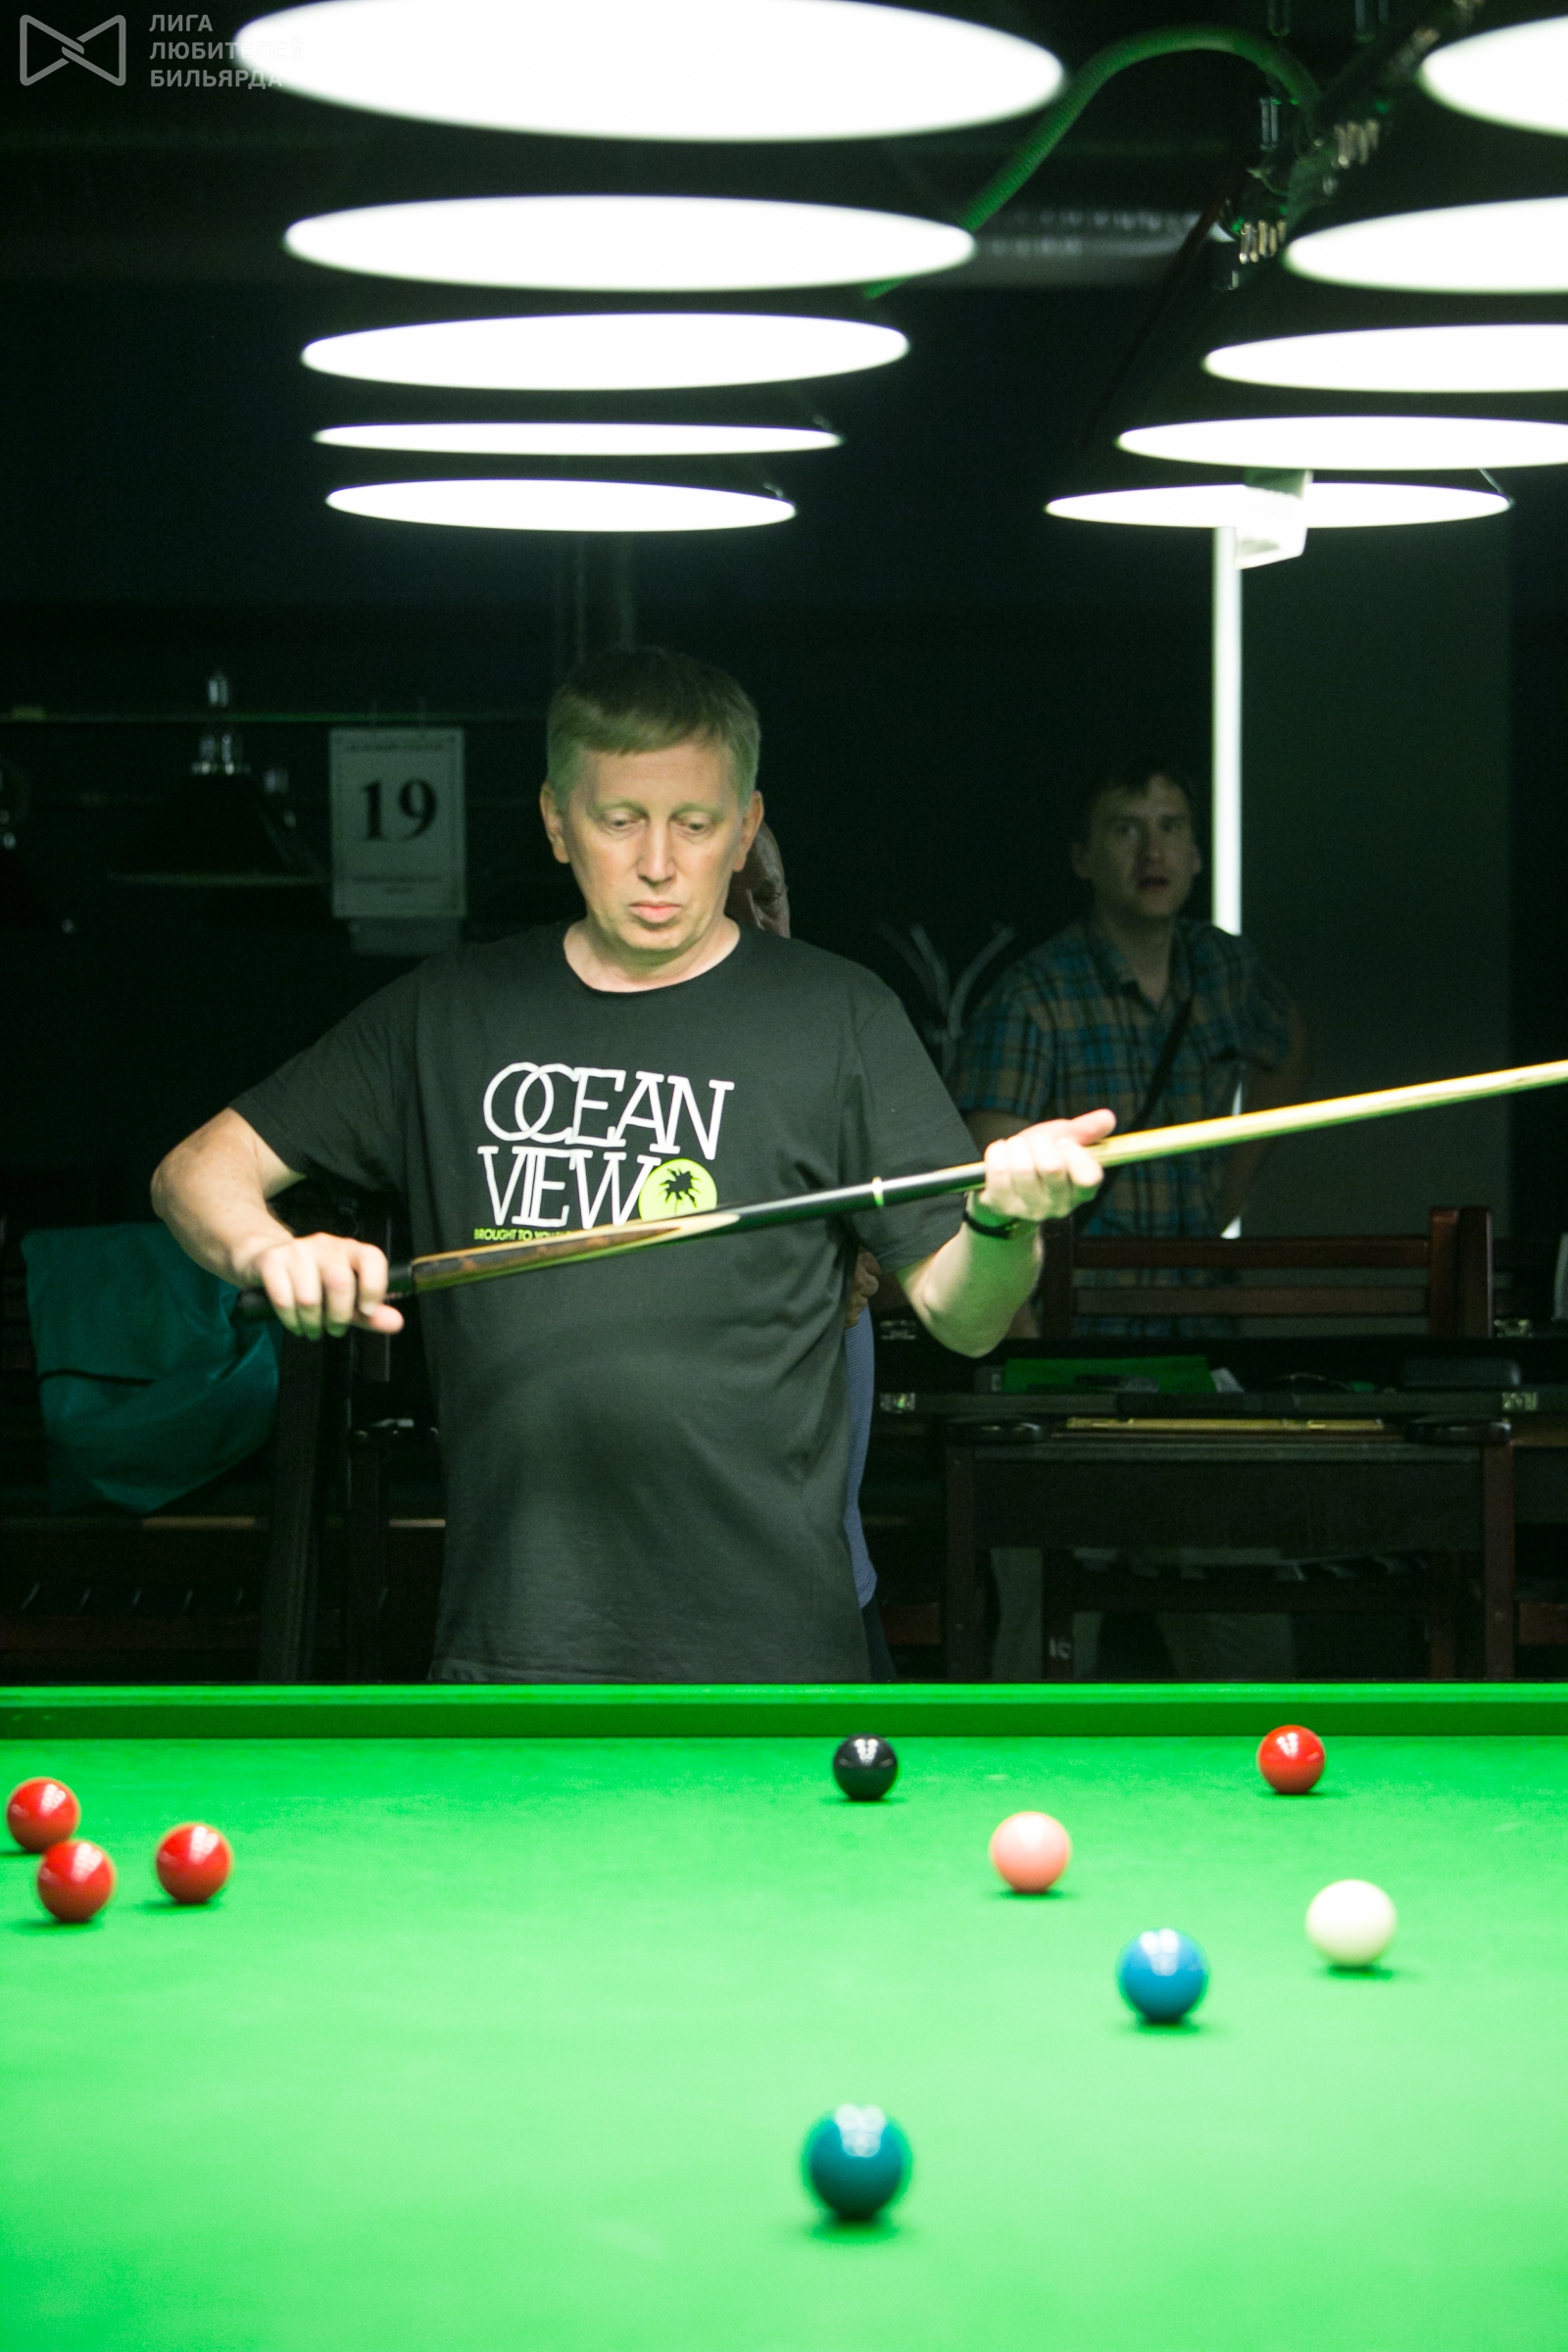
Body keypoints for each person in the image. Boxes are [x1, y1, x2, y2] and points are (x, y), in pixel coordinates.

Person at [152, 647, 1112, 1686]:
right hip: (515, 1650)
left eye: (695, 824)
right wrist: (269, 1251)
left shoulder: (840, 1017)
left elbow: (967, 1320)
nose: (658, 862)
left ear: (744, 827)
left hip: (771, 1658)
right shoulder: (447, 1014)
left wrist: (1006, 1221)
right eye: (620, 821)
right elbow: (195, 1172)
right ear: (556, 821)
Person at [953, 756, 1307, 1684]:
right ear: (1084, 857)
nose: (1154, 849)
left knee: (1247, 1645)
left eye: (1172, 826)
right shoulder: (1033, 996)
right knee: (1045, 1648)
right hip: (1066, 1364)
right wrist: (1028, 1370)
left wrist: (1232, 1191)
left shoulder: (1225, 969)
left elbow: (1287, 1051)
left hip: (1196, 1354)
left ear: (1196, 853)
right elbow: (989, 1192)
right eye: (1125, 828)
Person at [725, 820, 893, 1680]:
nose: (757, 923)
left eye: (771, 897)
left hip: (826, 1555)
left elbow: (903, 1233)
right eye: (733, 901)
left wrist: (854, 1246)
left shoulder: (832, 1024)